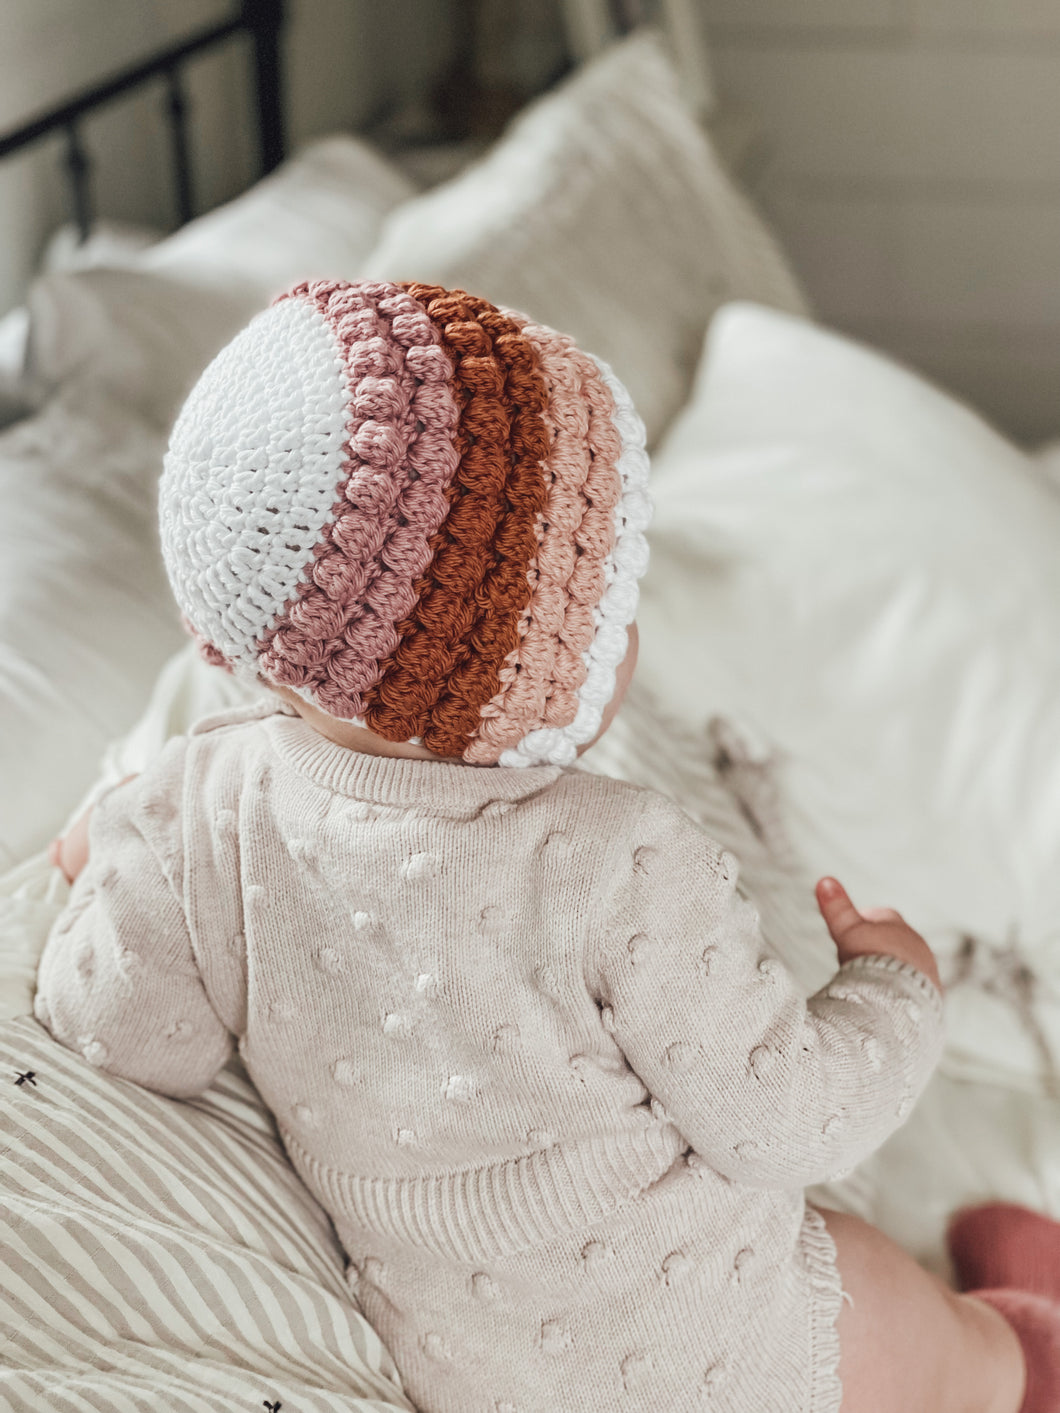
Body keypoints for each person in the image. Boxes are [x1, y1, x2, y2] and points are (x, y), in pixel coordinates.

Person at [36, 279, 1056, 1413]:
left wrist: (115, 852)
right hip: (723, 1343)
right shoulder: (615, 856)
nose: (628, 627)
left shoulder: (203, 807)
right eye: (607, 603)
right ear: (514, 665)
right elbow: (782, 1121)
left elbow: (134, 1036)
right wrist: (893, 987)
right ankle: (1012, 1353)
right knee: (883, 1295)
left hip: (482, 1380)